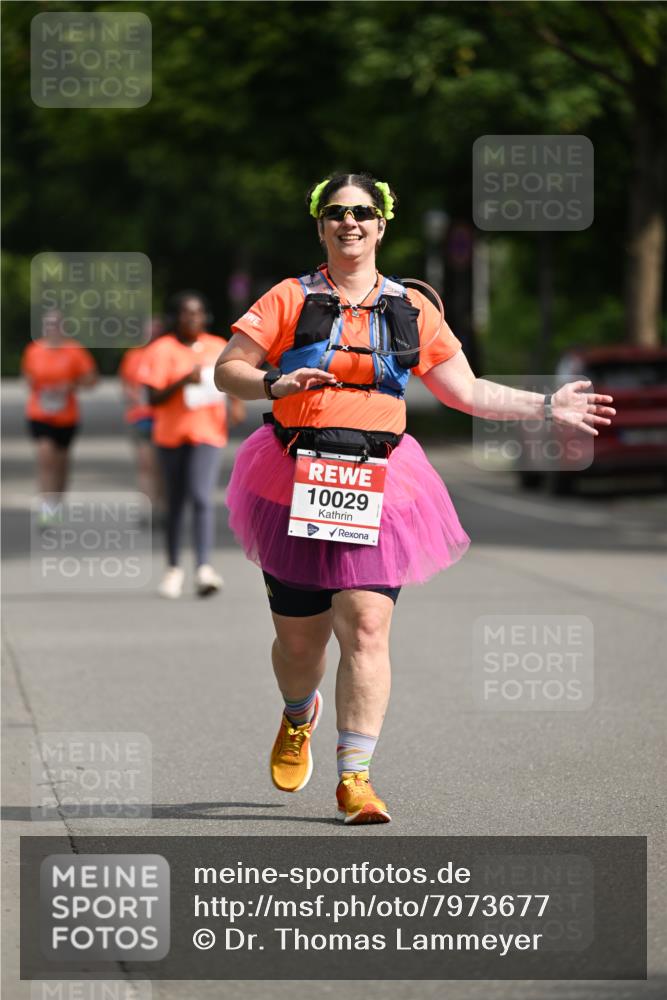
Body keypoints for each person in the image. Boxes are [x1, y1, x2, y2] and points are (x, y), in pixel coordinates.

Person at [214, 172, 615, 825]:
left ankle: (355, 779)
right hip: (292, 478)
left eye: (363, 212)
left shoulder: (411, 307)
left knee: (366, 627)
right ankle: (297, 715)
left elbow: (467, 391)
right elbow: (226, 367)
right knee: (299, 646)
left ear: (381, 224)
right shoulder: (289, 297)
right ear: (320, 224)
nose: (350, 222)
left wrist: (544, 404)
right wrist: (272, 380)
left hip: (380, 481)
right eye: (337, 213)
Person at [138, 291, 246, 599]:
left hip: (208, 434)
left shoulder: (217, 346)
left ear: (205, 317)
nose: (192, 318)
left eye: (197, 313)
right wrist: (183, 381)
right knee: (174, 502)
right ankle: (173, 568)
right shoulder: (161, 350)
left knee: (200, 496)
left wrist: (235, 403)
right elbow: (152, 398)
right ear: (176, 317)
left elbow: (231, 380)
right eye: (186, 313)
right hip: (170, 435)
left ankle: (203, 567)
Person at [21, 309, 98, 527]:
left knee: (62, 463)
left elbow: (92, 379)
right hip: (40, 413)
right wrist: (39, 388)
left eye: (55, 324)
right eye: (48, 324)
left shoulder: (74, 351)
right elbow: (27, 377)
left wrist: (70, 385)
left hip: (67, 416)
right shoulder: (34, 350)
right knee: (45, 458)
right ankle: (47, 506)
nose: (51, 328)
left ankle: (57, 501)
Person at [118, 317, 165, 523]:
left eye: (156, 330)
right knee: (146, 464)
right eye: (150, 330)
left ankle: (163, 506)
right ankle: (149, 509)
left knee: (162, 466)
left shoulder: (167, 354)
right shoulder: (133, 356)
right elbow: (126, 385)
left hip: (165, 417)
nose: (153, 334)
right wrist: (135, 397)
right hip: (140, 417)